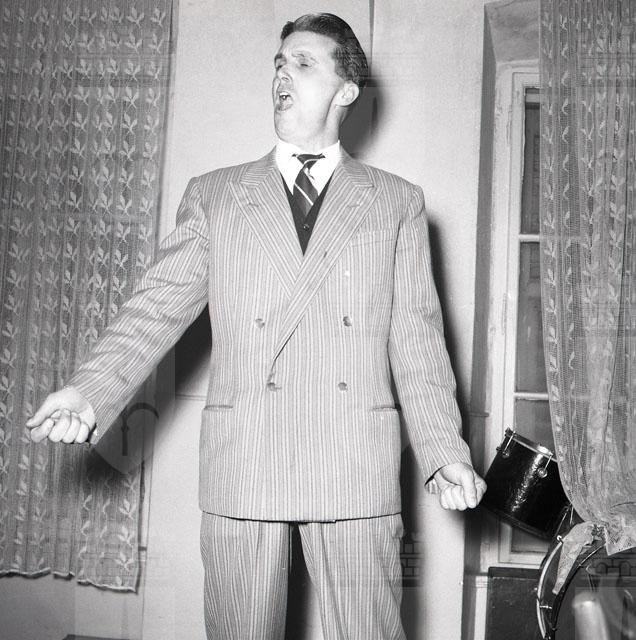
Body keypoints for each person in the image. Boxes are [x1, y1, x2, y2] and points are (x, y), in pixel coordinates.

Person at [27, 12, 486, 640]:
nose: (282, 75)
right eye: (278, 63)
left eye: (303, 62)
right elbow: (155, 307)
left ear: (346, 90)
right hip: (246, 458)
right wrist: (90, 390)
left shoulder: (395, 202)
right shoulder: (216, 195)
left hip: (353, 460)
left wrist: (444, 453)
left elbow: (417, 341)